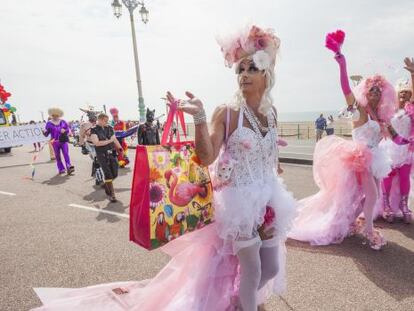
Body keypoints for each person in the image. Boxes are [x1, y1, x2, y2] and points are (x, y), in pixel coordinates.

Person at [31, 25, 297, 311]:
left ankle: (240, 298)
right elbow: (206, 158)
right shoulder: (227, 112)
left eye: (251, 68)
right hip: (239, 202)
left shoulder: (271, 112)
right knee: (253, 269)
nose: (243, 74)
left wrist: (274, 167)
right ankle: (247, 305)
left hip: (269, 195)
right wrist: (199, 118)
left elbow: (268, 151)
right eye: (240, 68)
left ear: (266, 73)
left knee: (269, 268)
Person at [289, 34, 409, 250]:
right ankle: (370, 231)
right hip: (359, 157)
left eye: (378, 90)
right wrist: (341, 61)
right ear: (365, 91)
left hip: (375, 159)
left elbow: (397, 139)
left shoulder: (380, 117)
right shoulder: (359, 110)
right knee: (372, 194)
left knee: (365, 195)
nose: (374, 92)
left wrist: (408, 140)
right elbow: (346, 89)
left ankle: (356, 221)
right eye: (371, 88)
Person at [380, 57, 414, 224]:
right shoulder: (389, 110)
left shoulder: (411, 110)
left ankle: (404, 205)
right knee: (386, 177)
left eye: (407, 93)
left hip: (406, 151)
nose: (404, 95)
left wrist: (413, 74)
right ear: (397, 93)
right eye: (402, 92)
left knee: (405, 178)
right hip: (389, 149)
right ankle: (385, 205)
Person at [90, 113, 123, 202]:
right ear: (99, 120)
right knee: (107, 173)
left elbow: (114, 139)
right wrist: (109, 141)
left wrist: (120, 148)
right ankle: (112, 195)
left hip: (111, 152)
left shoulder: (109, 128)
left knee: (115, 173)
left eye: (107, 120)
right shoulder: (94, 130)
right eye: (105, 120)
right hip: (101, 154)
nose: (106, 122)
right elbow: (96, 143)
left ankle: (107, 185)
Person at [43, 108, 74, 175]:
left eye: (57, 115)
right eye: (54, 115)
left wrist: (65, 131)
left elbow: (68, 130)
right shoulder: (49, 123)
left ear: (59, 115)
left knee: (66, 154)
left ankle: (69, 167)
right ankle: (61, 169)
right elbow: (46, 134)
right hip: (54, 142)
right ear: (52, 115)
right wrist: (44, 132)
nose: (55, 116)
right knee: (57, 156)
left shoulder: (63, 121)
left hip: (63, 141)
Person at [79, 109, 105, 186]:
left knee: (101, 161)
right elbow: (81, 136)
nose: (94, 117)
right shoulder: (85, 125)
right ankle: (100, 180)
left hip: (100, 144)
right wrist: (82, 146)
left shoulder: (99, 124)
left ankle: (97, 178)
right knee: (97, 161)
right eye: (92, 115)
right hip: (90, 145)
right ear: (89, 116)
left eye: (95, 115)